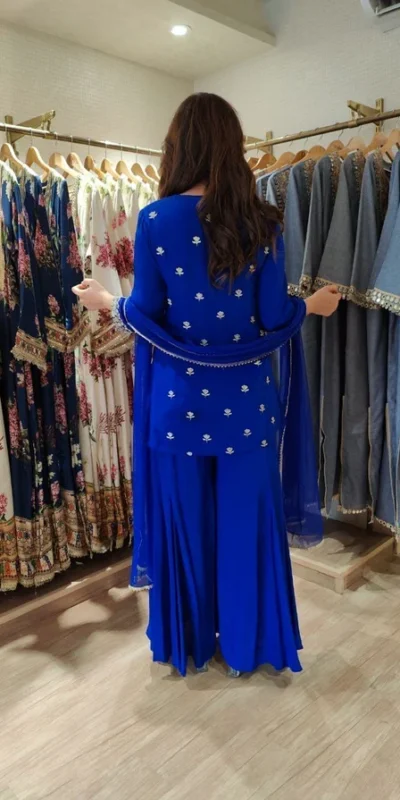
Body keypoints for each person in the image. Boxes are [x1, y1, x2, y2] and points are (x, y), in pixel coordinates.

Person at [73, 93, 340, 678]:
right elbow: (273, 317)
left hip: (179, 405)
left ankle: (189, 647)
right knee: (246, 531)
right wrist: (312, 307)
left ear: (178, 147)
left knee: (188, 533)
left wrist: (106, 302)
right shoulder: (263, 221)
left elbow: (147, 313)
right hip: (248, 407)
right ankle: (247, 649)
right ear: (232, 147)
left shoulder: (155, 220)